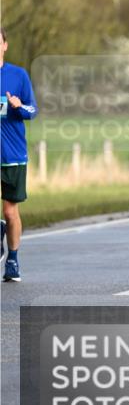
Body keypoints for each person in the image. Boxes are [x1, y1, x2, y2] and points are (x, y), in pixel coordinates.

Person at [0, 27, 37, 283]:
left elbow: (32, 110)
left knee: (10, 211)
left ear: (4, 45)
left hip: (12, 153)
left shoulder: (18, 75)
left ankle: (12, 258)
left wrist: (18, 106)